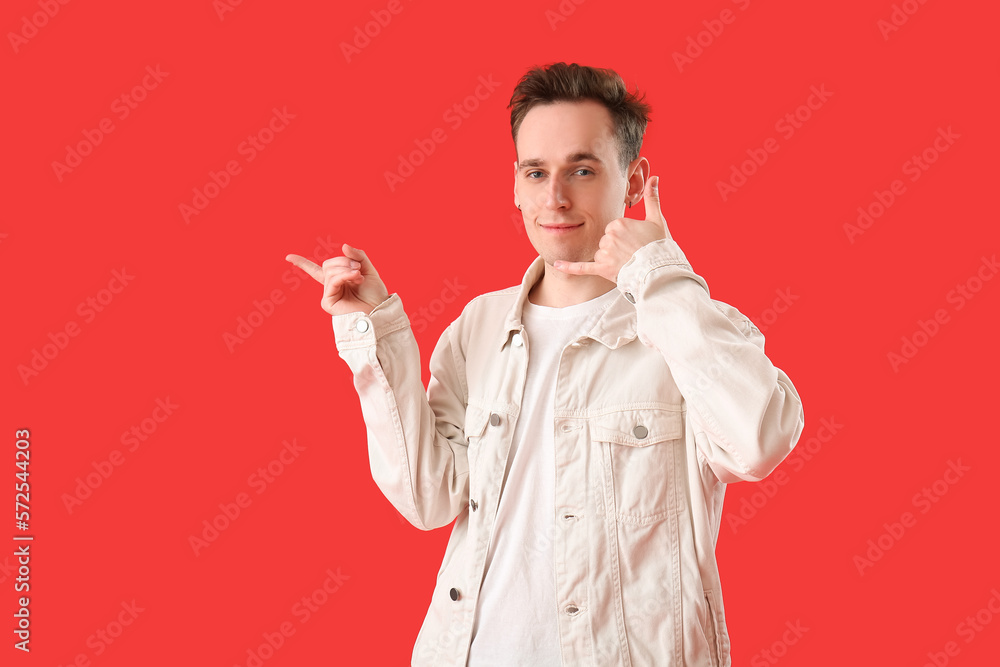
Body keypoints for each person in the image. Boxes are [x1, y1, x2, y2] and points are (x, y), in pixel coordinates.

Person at [286, 62, 805, 667]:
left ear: (633, 180)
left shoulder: (688, 327)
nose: (555, 198)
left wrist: (658, 279)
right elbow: (428, 499)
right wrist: (376, 334)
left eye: (582, 170)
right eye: (537, 172)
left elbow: (760, 441)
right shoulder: (479, 327)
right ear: (515, 184)